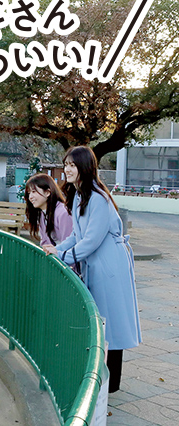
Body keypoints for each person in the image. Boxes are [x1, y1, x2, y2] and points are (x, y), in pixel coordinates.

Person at [43, 146, 141, 393]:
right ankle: (101, 377)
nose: (67, 169)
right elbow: (77, 235)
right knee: (101, 319)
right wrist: (57, 249)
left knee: (112, 321)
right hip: (96, 262)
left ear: (85, 167)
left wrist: (63, 256)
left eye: (72, 165)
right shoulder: (79, 196)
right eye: (66, 164)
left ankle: (111, 384)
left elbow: (91, 240)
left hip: (109, 264)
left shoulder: (97, 198)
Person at [24, 173, 72, 246]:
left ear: (47, 193)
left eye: (34, 192)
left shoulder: (63, 213)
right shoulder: (42, 214)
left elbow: (69, 243)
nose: (30, 197)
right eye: (29, 193)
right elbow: (45, 243)